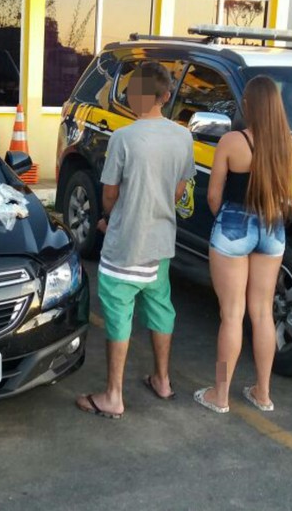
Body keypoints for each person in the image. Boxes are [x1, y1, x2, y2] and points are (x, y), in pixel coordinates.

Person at [75, 61, 196, 419]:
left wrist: (108, 219)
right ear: (166, 96)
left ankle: (113, 396)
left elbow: (110, 194)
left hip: (125, 244)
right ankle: (162, 380)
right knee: (160, 308)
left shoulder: (123, 138)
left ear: (134, 95)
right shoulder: (183, 137)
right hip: (161, 244)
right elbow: (178, 191)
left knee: (118, 314)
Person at [194, 76, 292, 414]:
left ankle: (220, 394)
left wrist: (227, 221)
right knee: (263, 313)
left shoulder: (232, 141)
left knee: (231, 315)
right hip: (272, 227)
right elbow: (285, 194)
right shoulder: (290, 145)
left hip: (234, 226)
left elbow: (213, 196)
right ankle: (263, 393)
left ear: (249, 106)